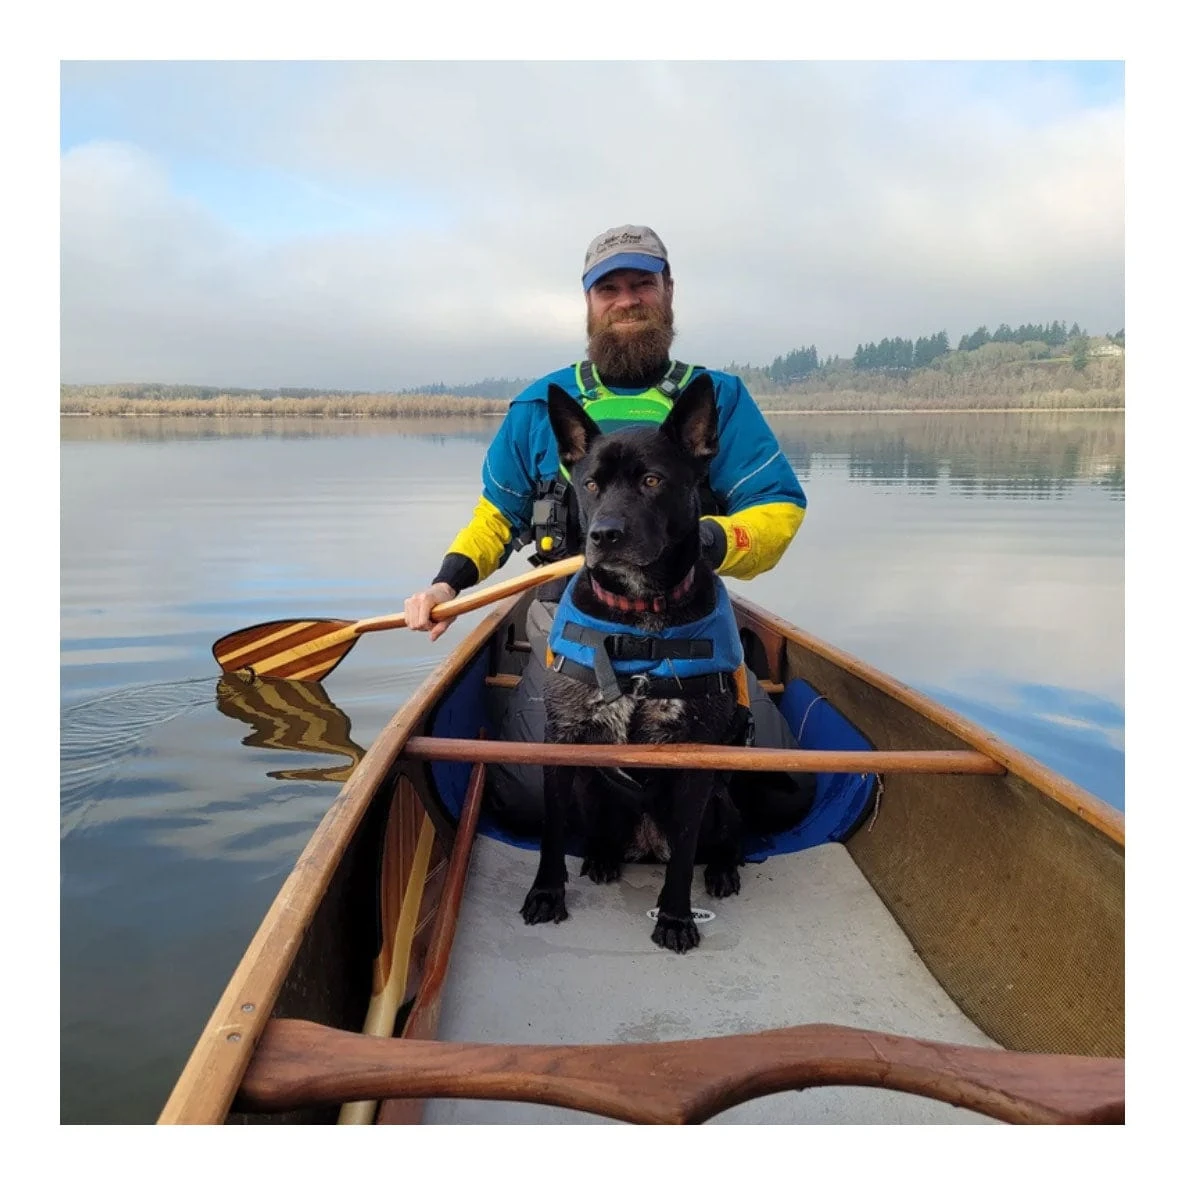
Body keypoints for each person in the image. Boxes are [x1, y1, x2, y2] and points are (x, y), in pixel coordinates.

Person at [404, 225, 809, 831]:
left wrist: (714, 539)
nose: (627, 301)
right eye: (609, 288)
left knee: (780, 796)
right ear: (588, 302)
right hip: (568, 623)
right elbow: (496, 515)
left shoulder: (717, 398)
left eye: (642, 284)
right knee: (535, 805)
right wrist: (444, 586)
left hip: (689, 620)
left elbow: (777, 505)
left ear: (668, 291)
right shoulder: (542, 405)